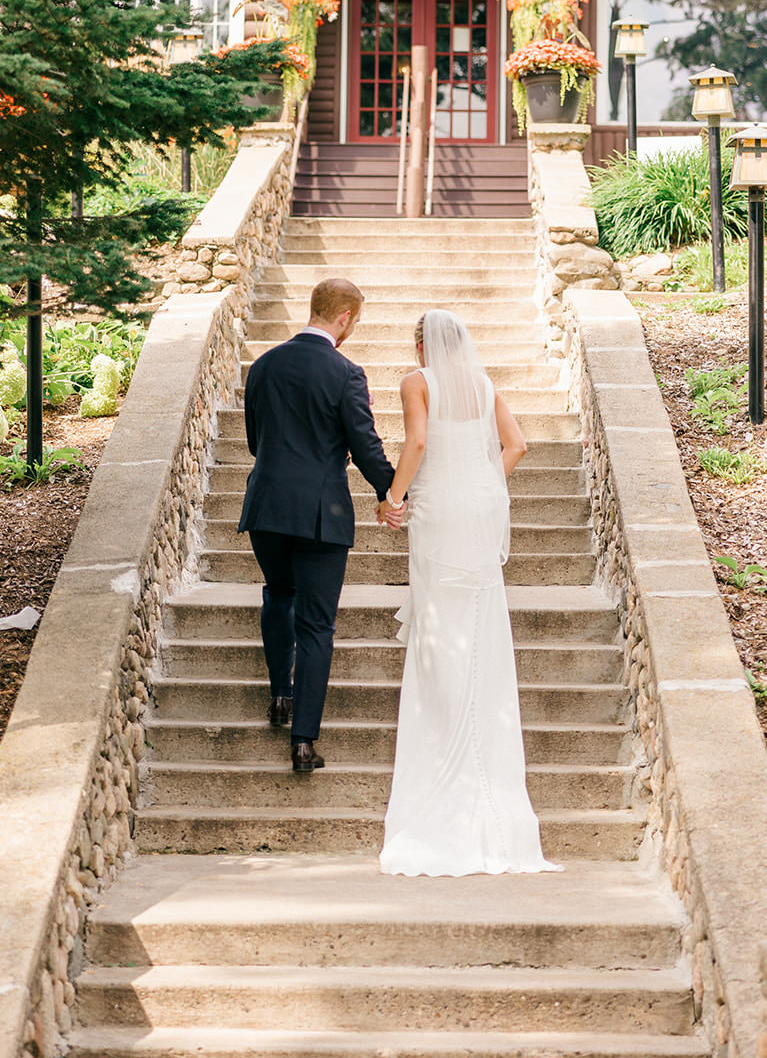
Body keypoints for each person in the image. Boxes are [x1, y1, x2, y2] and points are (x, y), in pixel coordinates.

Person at [376, 309, 562, 877]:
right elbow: (518, 446)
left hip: (438, 510)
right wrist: (480, 482)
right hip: (479, 509)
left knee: (438, 631)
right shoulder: (483, 385)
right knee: (478, 623)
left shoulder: (416, 382)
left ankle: (443, 744)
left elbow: (417, 441)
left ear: (421, 345)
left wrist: (393, 498)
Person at [238, 276, 402, 773]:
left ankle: (279, 695)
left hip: (266, 506)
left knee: (277, 594)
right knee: (316, 626)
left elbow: (253, 441)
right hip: (320, 515)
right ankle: (303, 742)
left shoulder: (262, 366)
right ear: (346, 317)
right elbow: (366, 446)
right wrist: (394, 491)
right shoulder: (346, 372)